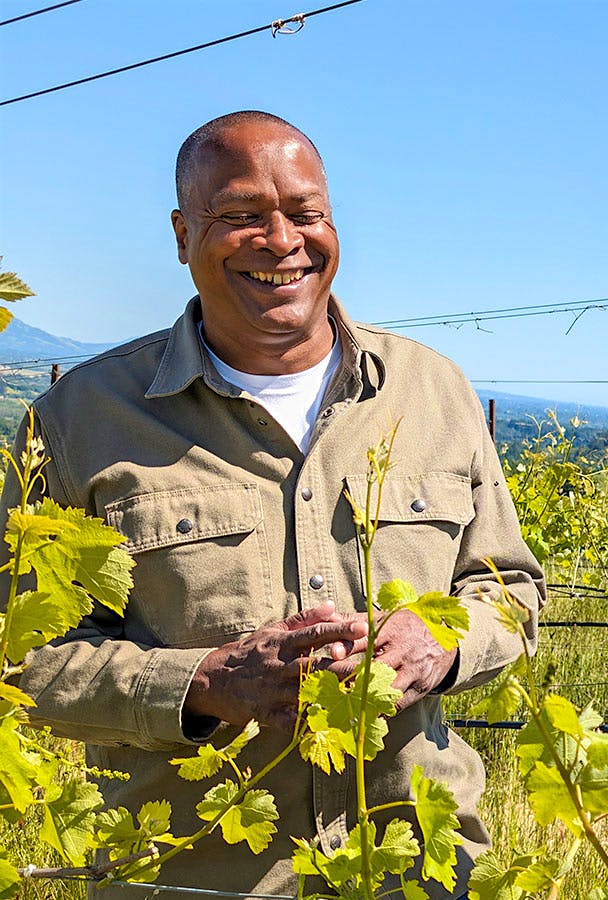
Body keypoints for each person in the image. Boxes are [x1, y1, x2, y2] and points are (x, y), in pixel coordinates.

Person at [2, 111, 544, 898]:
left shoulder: (435, 391)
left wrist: (442, 643)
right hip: (187, 879)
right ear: (183, 234)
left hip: (415, 871)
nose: (281, 239)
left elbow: (512, 590)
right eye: (241, 216)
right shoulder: (79, 421)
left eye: (305, 212)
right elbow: (26, 661)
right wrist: (202, 684)